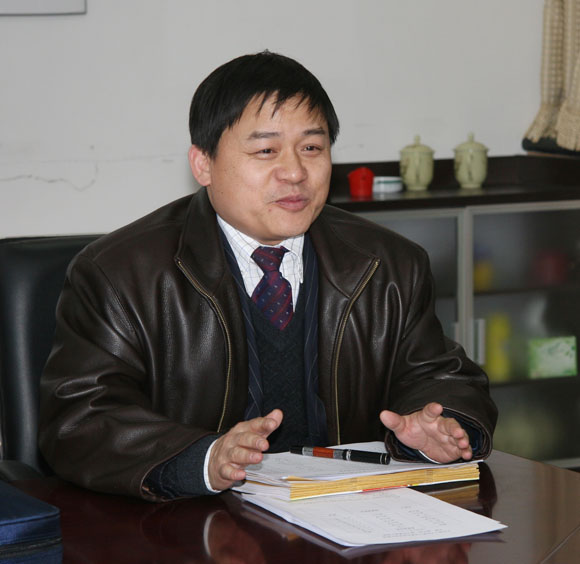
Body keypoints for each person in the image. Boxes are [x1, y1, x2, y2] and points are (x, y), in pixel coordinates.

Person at [39, 51, 497, 501]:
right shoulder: (120, 274)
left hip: (348, 510)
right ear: (203, 164)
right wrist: (202, 459)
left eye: (312, 148)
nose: (295, 172)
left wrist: (440, 425)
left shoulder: (389, 264)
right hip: (190, 520)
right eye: (266, 151)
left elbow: (441, 375)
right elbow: (79, 420)